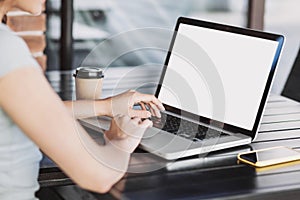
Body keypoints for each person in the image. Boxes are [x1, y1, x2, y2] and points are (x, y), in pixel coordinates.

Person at [0, 0, 164, 199]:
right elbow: (99, 177)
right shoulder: (6, 49)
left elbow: (28, 110)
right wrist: (119, 141)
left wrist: (106, 106)